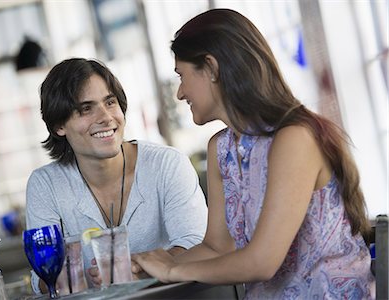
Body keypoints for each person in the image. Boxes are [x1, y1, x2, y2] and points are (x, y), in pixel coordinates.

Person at [132, 9, 375, 299]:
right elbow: (216, 247)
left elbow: (262, 262)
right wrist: (146, 266)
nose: (180, 93)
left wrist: (171, 271)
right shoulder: (220, 148)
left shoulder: (294, 138)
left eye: (181, 76)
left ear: (211, 68)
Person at [25, 58, 207, 293]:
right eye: (86, 109)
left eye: (110, 102)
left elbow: (197, 245)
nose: (106, 117)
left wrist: (138, 269)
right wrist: (68, 278)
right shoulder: (45, 185)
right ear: (59, 125)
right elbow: (40, 278)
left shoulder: (166, 164)